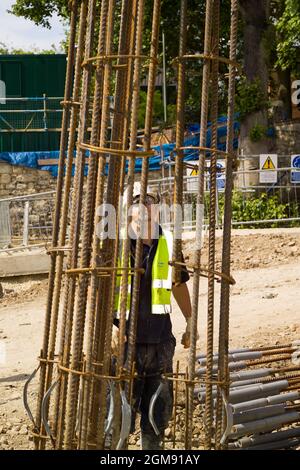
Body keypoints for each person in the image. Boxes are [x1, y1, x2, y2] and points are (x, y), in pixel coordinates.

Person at [113, 186, 194, 450]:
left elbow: (179, 284)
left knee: (156, 418)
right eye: (139, 201)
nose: (146, 206)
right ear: (128, 210)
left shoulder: (169, 242)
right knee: (119, 418)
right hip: (125, 343)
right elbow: (97, 289)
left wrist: (190, 321)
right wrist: (109, 328)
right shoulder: (117, 245)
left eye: (151, 201)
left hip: (160, 342)